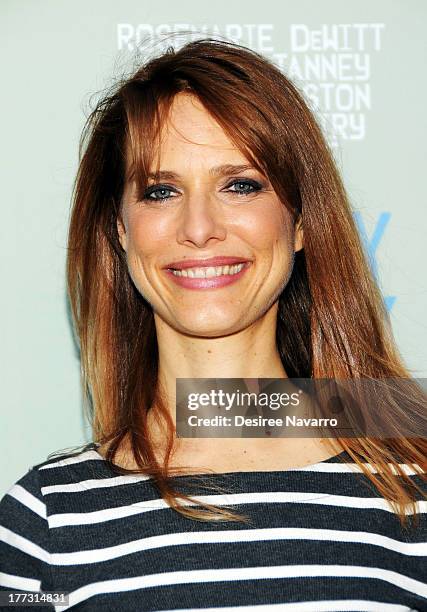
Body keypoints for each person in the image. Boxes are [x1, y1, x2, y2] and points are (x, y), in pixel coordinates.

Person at [1, 37, 426, 611]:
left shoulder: (413, 481)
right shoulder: (44, 519)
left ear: (301, 222)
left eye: (240, 185)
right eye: (161, 191)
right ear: (121, 232)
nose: (198, 227)